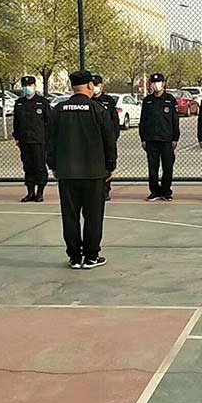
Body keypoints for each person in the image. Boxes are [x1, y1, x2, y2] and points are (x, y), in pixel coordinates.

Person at [47, 71, 117, 269]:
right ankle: (91, 256)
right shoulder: (97, 109)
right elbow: (109, 140)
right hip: (94, 172)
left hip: (67, 172)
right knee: (93, 216)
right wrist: (110, 165)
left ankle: (75, 257)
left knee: (70, 216)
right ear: (89, 86)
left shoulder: (59, 110)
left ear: (72, 87)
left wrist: (53, 165)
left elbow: (50, 141)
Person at [139, 73, 180, 201]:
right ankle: (154, 191)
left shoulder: (170, 99)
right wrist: (143, 138)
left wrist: (175, 138)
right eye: (153, 82)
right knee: (153, 168)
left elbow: (175, 120)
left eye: (158, 82)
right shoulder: (147, 100)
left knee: (167, 167)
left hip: (166, 140)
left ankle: (166, 191)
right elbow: (143, 121)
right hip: (151, 140)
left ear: (163, 84)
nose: (155, 84)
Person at [12, 76, 51, 203]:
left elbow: (49, 122)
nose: (27, 88)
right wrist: (17, 137)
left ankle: (40, 193)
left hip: (39, 140)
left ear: (34, 86)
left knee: (39, 166)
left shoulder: (42, 102)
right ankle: (30, 192)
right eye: (25, 86)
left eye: (30, 85)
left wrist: (48, 139)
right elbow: (16, 122)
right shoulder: (19, 103)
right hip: (24, 140)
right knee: (28, 166)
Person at [91, 74, 121, 201]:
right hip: (92, 141)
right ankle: (93, 190)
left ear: (101, 86)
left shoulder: (108, 101)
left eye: (96, 85)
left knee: (107, 165)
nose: (95, 87)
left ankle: (105, 190)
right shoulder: (88, 101)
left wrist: (113, 137)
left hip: (106, 139)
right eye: (93, 85)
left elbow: (115, 121)